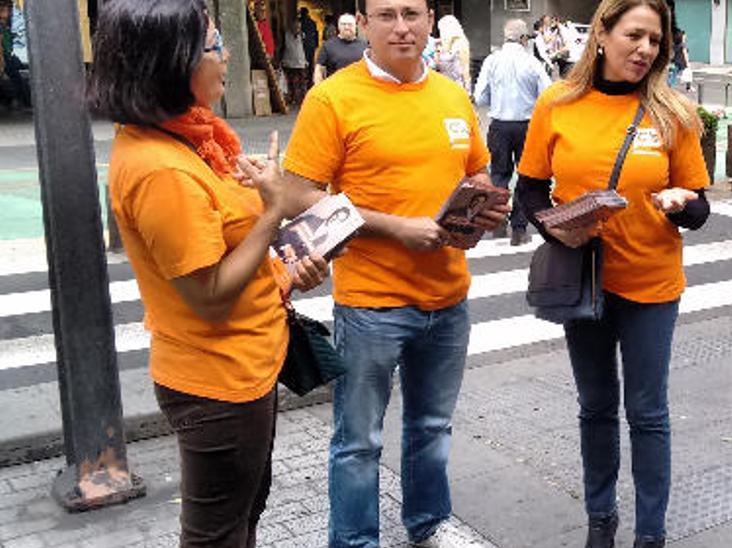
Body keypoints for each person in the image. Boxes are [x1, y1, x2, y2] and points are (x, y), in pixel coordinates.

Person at [87, 0, 329, 544]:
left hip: (246, 365)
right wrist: (271, 211)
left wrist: (286, 270)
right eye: (214, 46)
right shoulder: (161, 169)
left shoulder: (196, 141)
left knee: (243, 515)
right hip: (218, 383)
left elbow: (228, 252)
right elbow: (211, 296)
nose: (224, 58)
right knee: (217, 533)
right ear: (171, 62)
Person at [280, 0, 509, 544]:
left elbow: (474, 170)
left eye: (411, 14)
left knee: (431, 428)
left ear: (430, 21)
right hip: (371, 304)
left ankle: (428, 523)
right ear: (364, 25)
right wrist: (396, 228)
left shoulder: (453, 95)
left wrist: (483, 207)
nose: (401, 27)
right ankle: (356, 541)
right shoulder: (334, 98)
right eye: (386, 15)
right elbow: (296, 196)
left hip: (449, 298)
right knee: (358, 440)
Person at [514, 1, 710, 546]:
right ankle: (601, 519)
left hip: (651, 285)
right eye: (635, 36)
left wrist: (680, 202)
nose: (645, 50)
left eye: (655, 41)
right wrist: (560, 231)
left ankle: (651, 532)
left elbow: (700, 208)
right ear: (601, 33)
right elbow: (528, 190)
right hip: (586, 282)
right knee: (595, 406)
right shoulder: (557, 103)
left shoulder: (674, 112)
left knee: (647, 412)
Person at [474, 18, 552, 246]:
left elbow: (480, 96)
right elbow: (547, 95)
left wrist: (497, 99)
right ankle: (519, 228)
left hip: (498, 122)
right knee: (525, 175)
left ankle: (497, 219)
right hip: (527, 124)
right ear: (524, 38)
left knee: (499, 173)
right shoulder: (532, 62)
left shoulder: (492, 60)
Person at [314, 13, 367, 86]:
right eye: (343, 24)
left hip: (359, 89)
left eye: (350, 24)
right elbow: (319, 68)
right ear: (338, 26)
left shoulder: (365, 46)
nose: (347, 27)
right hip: (335, 90)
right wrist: (318, 88)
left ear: (356, 26)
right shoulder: (328, 45)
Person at [435, 15, 471, 92]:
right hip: (442, 85)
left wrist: (468, 89)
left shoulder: (460, 43)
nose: (441, 32)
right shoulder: (441, 44)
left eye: (441, 29)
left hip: (456, 86)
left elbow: (465, 67)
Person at [280, 20, 310, 105]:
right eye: (296, 27)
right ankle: (292, 98)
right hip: (289, 62)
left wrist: (307, 60)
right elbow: (282, 47)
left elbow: (307, 49)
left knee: (302, 82)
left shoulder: (303, 36)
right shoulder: (286, 35)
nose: (297, 29)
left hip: (301, 62)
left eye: (298, 27)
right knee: (291, 82)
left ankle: (303, 98)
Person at [299, 7, 319, 75]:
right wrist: (316, 43)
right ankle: (310, 77)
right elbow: (316, 33)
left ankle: (305, 76)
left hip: (303, 44)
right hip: (311, 44)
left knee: (304, 60)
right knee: (311, 61)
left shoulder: (300, 22)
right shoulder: (312, 22)